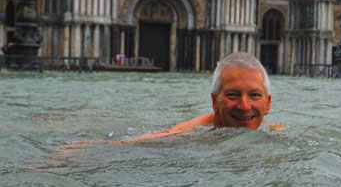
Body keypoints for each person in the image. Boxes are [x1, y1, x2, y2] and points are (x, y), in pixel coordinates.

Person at [60, 53, 283, 151]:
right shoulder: (189, 132)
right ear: (215, 102)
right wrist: (93, 147)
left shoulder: (274, 130)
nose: (244, 106)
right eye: (233, 95)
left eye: (254, 95)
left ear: (268, 103)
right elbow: (154, 140)